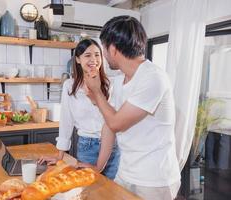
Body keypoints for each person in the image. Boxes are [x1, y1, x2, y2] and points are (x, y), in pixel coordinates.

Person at [83, 16, 181, 200]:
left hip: (154, 180)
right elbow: (109, 126)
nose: (103, 55)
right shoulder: (119, 81)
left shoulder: (153, 78)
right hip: (126, 173)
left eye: (103, 48)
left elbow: (117, 123)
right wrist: (98, 167)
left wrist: (97, 93)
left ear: (112, 48)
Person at [38, 38, 120, 179]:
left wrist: (97, 96)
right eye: (87, 55)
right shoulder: (70, 86)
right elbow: (66, 121)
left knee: (111, 192)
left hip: (112, 148)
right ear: (77, 59)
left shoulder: (111, 84)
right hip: (86, 147)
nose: (93, 59)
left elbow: (113, 120)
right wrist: (60, 156)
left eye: (97, 55)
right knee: (89, 191)